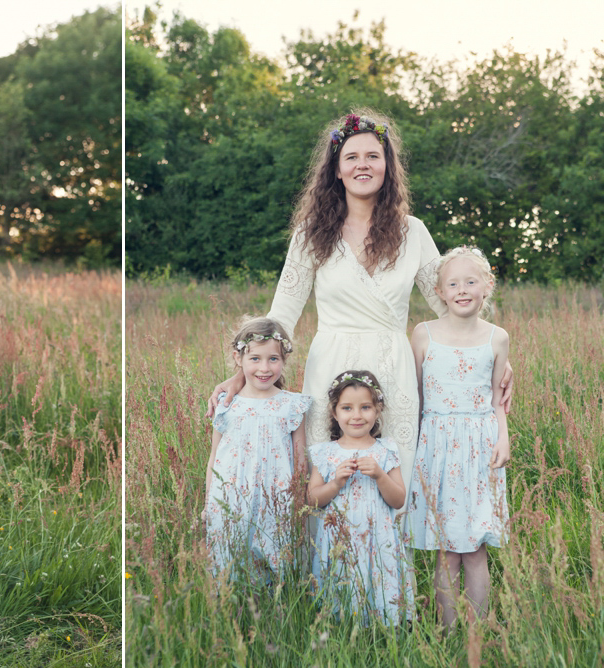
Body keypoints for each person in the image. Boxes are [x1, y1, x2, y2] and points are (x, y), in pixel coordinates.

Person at [208, 110, 512, 504]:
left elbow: (451, 306)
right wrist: (240, 376)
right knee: (330, 475)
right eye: (351, 157)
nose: (362, 165)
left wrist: (494, 357)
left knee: (391, 475)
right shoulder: (311, 234)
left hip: (393, 369)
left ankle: (388, 563)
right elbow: (282, 314)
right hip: (331, 364)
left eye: (373, 156)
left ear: (388, 166)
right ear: (336, 169)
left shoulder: (413, 232)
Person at [407, 246, 510, 627]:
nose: (462, 289)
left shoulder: (497, 338)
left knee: (476, 547)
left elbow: (499, 398)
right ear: (440, 291)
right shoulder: (423, 334)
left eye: (471, 281)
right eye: (453, 283)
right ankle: (449, 631)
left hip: (481, 446)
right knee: (446, 549)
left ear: (487, 286)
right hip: (436, 445)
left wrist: (504, 436)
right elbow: (413, 396)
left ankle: (478, 630)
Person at [203, 316, 313, 585]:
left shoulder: (292, 405)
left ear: (284, 359)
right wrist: (208, 503)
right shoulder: (227, 404)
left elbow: (300, 460)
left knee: (275, 559)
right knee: (229, 559)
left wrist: (298, 500)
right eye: (255, 359)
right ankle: (232, 614)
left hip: (275, 497)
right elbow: (214, 458)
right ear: (238, 358)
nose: (264, 368)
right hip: (231, 496)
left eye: (273, 359)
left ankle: (275, 615)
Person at [306, 370, 411, 624]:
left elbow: (398, 500)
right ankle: (341, 633)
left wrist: (379, 476)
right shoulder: (325, 453)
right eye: (347, 408)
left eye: (365, 407)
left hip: (378, 539)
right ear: (335, 413)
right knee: (341, 588)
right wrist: (336, 482)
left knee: (378, 586)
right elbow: (312, 500)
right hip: (338, 540)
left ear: (377, 410)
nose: (356, 416)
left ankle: (383, 632)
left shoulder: (385, 450)